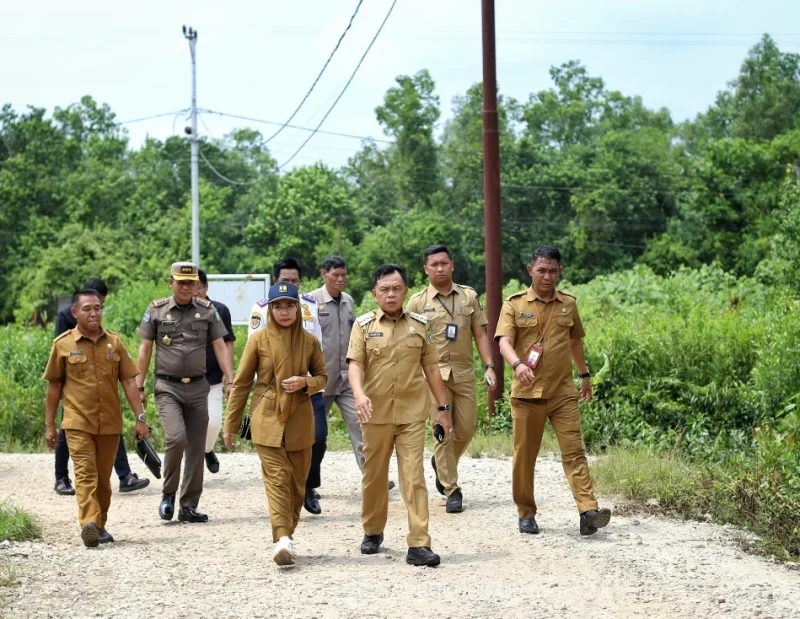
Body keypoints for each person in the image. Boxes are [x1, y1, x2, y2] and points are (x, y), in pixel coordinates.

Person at [496, 245, 611, 536]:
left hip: (563, 393)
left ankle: (588, 512)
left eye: (553, 271)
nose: (548, 276)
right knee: (525, 456)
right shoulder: (514, 304)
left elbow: (575, 342)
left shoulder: (568, 304)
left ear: (560, 272)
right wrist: (518, 364)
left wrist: (584, 374)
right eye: (542, 270)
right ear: (530, 270)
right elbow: (504, 342)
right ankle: (526, 512)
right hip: (527, 395)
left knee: (575, 452)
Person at [347, 263, 451, 567]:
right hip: (375, 414)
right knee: (375, 477)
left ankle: (419, 543)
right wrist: (359, 394)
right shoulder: (363, 325)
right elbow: (355, 365)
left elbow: (432, 368)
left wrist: (442, 409)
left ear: (405, 291)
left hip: (411, 415)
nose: (391, 294)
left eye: (396, 288)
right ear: (374, 293)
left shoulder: (420, 325)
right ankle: (372, 530)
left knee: (413, 477)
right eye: (384, 289)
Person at [224, 282, 327, 567]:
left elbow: (323, 377)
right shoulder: (259, 340)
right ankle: (282, 539)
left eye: (289, 305)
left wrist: (305, 382)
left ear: (298, 308)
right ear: (270, 310)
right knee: (278, 477)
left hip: (300, 420)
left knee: (297, 484)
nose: (284, 312)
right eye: (278, 306)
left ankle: (287, 535)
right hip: (266, 417)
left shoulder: (310, 341)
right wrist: (230, 424)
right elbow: (243, 383)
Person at [43, 289, 150, 547]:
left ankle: (98, 526)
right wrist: (49, 426)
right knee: (85, 474)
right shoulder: (63, 345)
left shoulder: (115, 342)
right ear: (75, 312)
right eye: (87, 309)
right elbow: (54, 387)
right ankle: (89, 522)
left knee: (103, 480)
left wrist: (141, 417)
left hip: (110, 424)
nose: (93, 313)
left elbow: (128, 381)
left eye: (97, 308)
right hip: (77, 423)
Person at [135, 262, 234, 523]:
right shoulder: (156, 311)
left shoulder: (208, 311)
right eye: (181, 282)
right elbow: (145, 349)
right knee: (177, 438)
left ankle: (188, 505)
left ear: (197, 285)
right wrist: (138, 386)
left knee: (197, 447)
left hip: (199, 387)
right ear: (171, 283)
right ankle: (168, 494)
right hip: (168, 387)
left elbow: (220, 346)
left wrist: (231, 379)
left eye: (191, 283)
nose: (186, 287)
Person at [406, 245, 497, 513]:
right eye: (433, 264)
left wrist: (489, 366)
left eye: (444, 263)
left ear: (452, 264)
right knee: (443, 431)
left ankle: (441, 462)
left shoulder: (469, 296)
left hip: (465, 373)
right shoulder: (417, 302)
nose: (440, 268)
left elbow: (480, 334)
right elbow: (413, 342)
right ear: (425, 269)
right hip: (434, 376)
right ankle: (451, 489)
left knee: (467, 428)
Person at [248, 258, 328, 515]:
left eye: (294, 281)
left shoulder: (310, 307)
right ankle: (283, 526)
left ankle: (307, 487)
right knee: (276, 465)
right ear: (276, 281)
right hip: (270, 394)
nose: (285, 310)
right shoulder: (261, 309)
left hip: (305, 389)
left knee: (318, 438)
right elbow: (253, 359)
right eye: (285, 280)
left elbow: (318, 348)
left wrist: (308, 383)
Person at [309, 256, 364, 470]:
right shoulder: (311, 301)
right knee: (315, 435)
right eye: (335, 275)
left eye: (343, 275)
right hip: (321, 381)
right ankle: (308, 480)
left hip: (346, 379)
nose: (340, 279)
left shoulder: (348, 301)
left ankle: (372, 478)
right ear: (324, 274)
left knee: (362, 427)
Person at [197, 269, 236, 474]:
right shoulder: (175, 312)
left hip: (212, 378)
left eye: (198, 288)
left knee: (213, 423)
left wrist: (227, 373)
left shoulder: (219, 310)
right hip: (183, 380)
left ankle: (207, 450)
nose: (193, 293)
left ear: (206, 288)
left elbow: (228, 344)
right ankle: (193, 464)